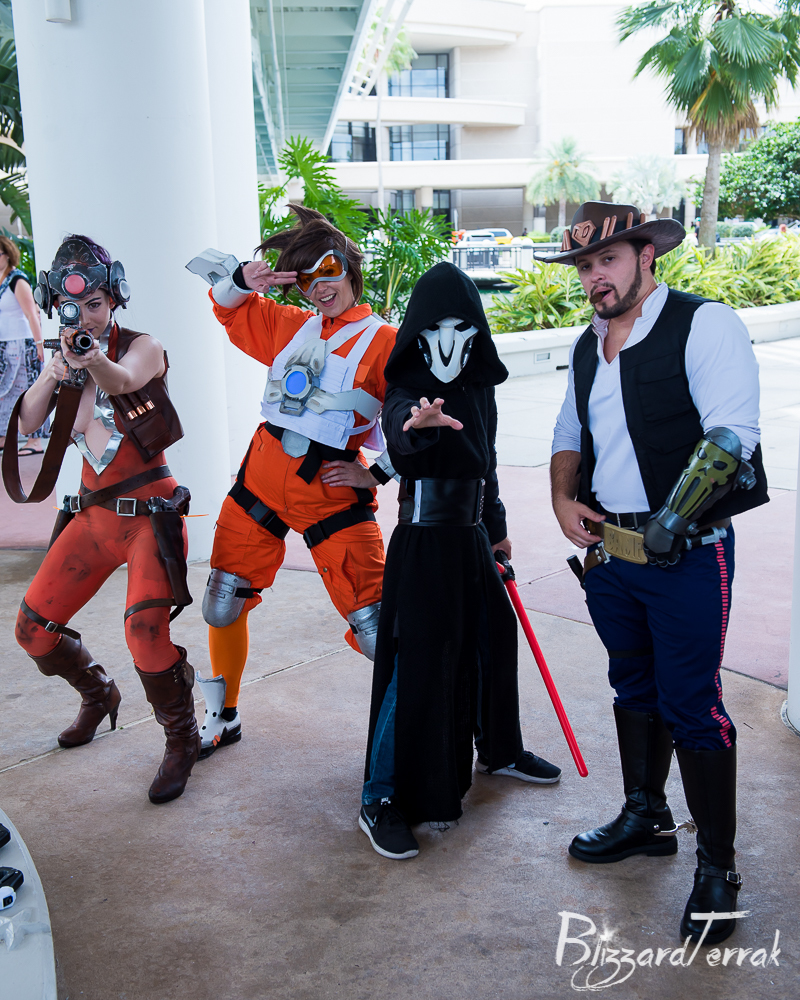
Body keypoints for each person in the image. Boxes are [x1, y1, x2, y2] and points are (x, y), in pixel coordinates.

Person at [544, 202, 769, 944]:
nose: (594, 278)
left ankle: (718, 868)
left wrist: (671, 524)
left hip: (689, 553)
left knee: (693, 704)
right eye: (584, 267)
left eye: (606, 260)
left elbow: (731, 435)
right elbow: (570, 430)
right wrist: (561, 497)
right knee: (632, 687)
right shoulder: (587, 344)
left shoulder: (704, 324)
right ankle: (647, 817)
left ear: (647, 256)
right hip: (611, 554)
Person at [358, 261, 561, 861]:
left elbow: (486, 461)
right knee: (417, 662)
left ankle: (499, 749)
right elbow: (399, 433)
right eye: (436, 325)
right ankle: (380, 797)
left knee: (494, 637)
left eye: (460, 324)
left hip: (471, 536)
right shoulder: (405, 387)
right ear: (418, 331)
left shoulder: (478, 386)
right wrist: (417, 425)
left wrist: (496, 532)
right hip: (423, 542)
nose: (448, 338)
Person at [187, 206, 398, 759]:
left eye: (327, 271)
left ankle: (417, 733)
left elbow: (421, 422)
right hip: (261, 475)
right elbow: (230, 309)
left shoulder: (386, 342)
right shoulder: (290, 326)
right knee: (224, 598)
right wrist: (241, 280)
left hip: (330, 489)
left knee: (377, 624)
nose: (318, 288)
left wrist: (376, 471)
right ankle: (223, 715)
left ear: (350, 266)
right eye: (305, 279)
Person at [12, 235, 199, 804]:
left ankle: (182, 737)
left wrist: (91, 357)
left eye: (95, 303)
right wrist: (55, 370)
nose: (85, 316)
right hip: (92, 518)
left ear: (114, 298)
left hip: (147, 517)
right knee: (31, 629)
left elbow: (123, 381)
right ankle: (98, 694)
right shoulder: (64, 358)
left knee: (145, 633)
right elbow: (26, 423)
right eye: (73, 306)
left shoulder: (143, 346)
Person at [0, 234, 45, 455]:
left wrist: (39, 344)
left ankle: (34, 441)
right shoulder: (1, 281)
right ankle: (4, 437)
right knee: (5, 392)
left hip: (23, 344)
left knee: (28, 390)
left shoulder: (17, 280)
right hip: (4, 346)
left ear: (7, 255)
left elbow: (31, 314)